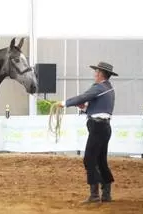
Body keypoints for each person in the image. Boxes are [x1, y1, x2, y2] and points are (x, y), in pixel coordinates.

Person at [58, 61, 118, 203]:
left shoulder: (99, 87)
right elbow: (96, 108)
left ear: (100, 74)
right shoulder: (108, 88)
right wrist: (84, 108)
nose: (94, 74)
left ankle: (95, 195)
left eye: (96, 72)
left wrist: (64, 103)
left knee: (89, 159)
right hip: (104, 127)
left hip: (97, 128)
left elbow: (83, 97)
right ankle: (106, 194)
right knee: (101, 160)